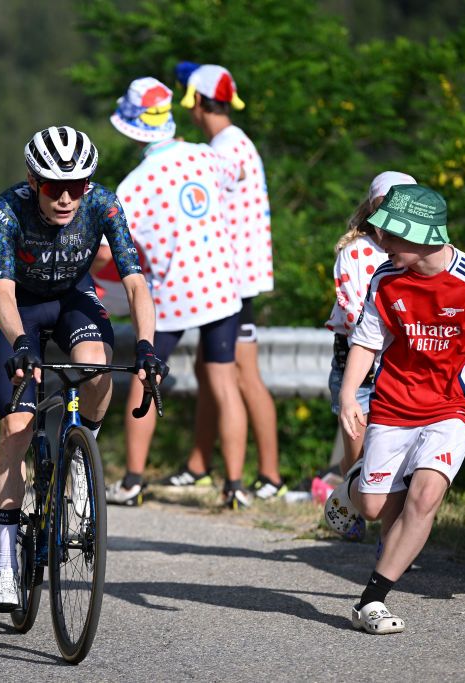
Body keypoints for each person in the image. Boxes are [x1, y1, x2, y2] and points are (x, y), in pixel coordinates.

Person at [326, 184, 465, 634]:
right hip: (394, 402)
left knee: (425, 497)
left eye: (390, 237)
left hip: (453, 406)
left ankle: (371, 600)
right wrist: (347, 397)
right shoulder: (385, 278)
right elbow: (366, 340)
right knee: (375, 507)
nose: (381, 243)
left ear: (420, 237)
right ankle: (357, 480)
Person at [0, 125, 162, 610]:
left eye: (76, 187)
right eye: (53, 187)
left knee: (97, 367)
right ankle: (5, 560)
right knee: (18, 427)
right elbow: (2, 291)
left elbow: (136, 283)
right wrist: (20, 341)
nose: (66, 198)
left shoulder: (103, 204)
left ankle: (82, 455)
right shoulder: (8, 207)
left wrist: (147, 346)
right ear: (32, 180)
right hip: (21, 307)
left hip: (72, 300)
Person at [100, 77, 247, 509]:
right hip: (222, 286)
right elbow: (235, 172)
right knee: (225, 383)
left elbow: (107, 252)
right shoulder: (204, 156)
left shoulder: (135, 185)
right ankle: (235, 487)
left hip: (171, 297)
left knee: (145, 380)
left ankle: (132, 481)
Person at [175, 62, 283, 503]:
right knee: (210, 370)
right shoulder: (230, 142)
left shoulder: (228, 147)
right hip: (231, 278)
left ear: (198, 102)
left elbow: (222, 176)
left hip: (234, 282)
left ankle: (271, 476)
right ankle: (199, 464)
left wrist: (184, 154)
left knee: (243, 375)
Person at [325, 172, 415, 479]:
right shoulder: (353, 254)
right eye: (382, 206)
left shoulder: (416, 253)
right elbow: (354, 315)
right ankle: (349, 507)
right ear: (372, 208)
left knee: (392, 456)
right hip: (358, 366)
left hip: (400, 365)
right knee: (359, 459)